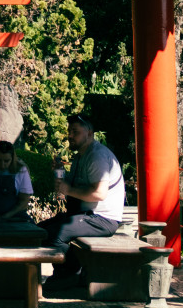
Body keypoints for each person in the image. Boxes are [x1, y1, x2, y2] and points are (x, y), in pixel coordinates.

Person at [39, 112, 125, 285]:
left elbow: (99, 193)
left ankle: (69, 274)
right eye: (69, 131)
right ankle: (69, 272)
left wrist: (67, 189)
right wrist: (60, 173)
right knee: (40, 230)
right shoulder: (81, 155)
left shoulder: (97, 156)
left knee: (57, 234)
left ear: (89, 133)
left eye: (75, 132)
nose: (70, 136)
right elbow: (76, 185)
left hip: (103, 218)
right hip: (86, 214)